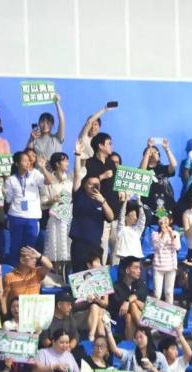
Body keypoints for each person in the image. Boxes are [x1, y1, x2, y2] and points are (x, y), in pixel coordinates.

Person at [69, 143, 115, 272]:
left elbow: (111, 217)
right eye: (91, 184)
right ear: (85, 185)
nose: (94, 186)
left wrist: (103, 202)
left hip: (95, 244)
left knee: (95, 274)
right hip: (79, 243)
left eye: (97, 184)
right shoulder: (79, 195)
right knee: (79, 274)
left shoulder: (101, 200)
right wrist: (77, 155)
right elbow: (77, 175)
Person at [5, 151, 55, 265]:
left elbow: (49, 181)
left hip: (32, 217)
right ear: (17, 163)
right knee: (15, 247)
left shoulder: (35, 174)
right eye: (24, 161)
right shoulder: (11, 179)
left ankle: (29, 271)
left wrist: (43, 167)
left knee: (30, 248)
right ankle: (13, 270)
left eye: (29, 161)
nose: (28, 163)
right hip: (16, 216)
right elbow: (8, 200)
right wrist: (4, 190)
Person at [85, 132, 121, 265]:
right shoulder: (89, 163)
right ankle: (101, 275)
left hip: (115, 213)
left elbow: (117, 183)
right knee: (102, 249)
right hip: (99, 215)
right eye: (109, 143)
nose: (111, 146)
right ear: (100, 146)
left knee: (117, 249)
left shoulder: (111, 163)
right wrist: (102, 176)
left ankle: (116, 275)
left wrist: (121, 191)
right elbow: (86, 186)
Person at [105, 326, 170, 372]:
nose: (138, 340)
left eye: (141, 337)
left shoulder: (159, 356)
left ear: (148, 337)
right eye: (136, 338)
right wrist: (109, 331)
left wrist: (153, 369)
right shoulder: (130, 356)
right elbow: (115, 350)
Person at [41, 152, 73, 273]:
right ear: (57, 164)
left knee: (67, 250)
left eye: (67, 161)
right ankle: (55, 274)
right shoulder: (47, 183)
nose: (67, 163)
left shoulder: (70, 180)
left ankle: (65, 275)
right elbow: (43, 204)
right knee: (54, 250)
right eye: (64, 161)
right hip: (55, 220)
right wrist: (52, 200)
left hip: (68, 219)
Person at [1, 247, 52, 315]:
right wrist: (5, 315)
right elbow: (4, 297)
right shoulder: (9, 277)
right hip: (18, 314)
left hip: (34, 314)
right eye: (32, 258)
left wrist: (39, 256)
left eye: (35, 258)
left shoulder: (37, 273)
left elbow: (49, 266)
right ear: (22, 260)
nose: (35, 260)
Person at [140, 138, 178, 222]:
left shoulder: (163, 168)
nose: (152, 154)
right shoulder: (142, 169)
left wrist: (166, 149)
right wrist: (148, 149)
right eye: (150, 152)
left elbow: (174, 165)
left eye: (155, 152)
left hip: (167, 206)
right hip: (149, 208)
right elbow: (141, 172)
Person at [110, 257, 148, 339]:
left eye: (139, 268)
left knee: (131, 309)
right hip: (119, 319)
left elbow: (143, 299)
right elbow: (119, 306)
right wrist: (132, 301)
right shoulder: (116, 287)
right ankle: (144, 327)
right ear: (127, 270)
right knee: (129, 313)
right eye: (136, 268)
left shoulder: (140, 283)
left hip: (140, 314)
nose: (139, 271)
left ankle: (130, 344)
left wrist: (128, 301)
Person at [151, 214, 181, 303]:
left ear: (170, 221)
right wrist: (163, 234)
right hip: (158, 266)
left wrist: (171, 235)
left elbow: (177, 247)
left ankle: (169, 310)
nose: (164, 222)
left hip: (171, 266)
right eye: (162, 220)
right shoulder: (155, 234)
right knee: (157, 294)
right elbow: (156, 247)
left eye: (166, 220)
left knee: (169, 292)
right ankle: (155, 309)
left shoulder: (175, 233)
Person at [27, 94, 65, 160]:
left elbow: (62, 121)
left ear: (52, 124)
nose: (45, 125)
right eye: (42, 122)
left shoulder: (57, 138)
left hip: (54, 167)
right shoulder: (34, 140)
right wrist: (31, 140)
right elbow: (28, 155)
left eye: (48, 122)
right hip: (38, 167)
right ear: (38, 123)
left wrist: (57, 103)